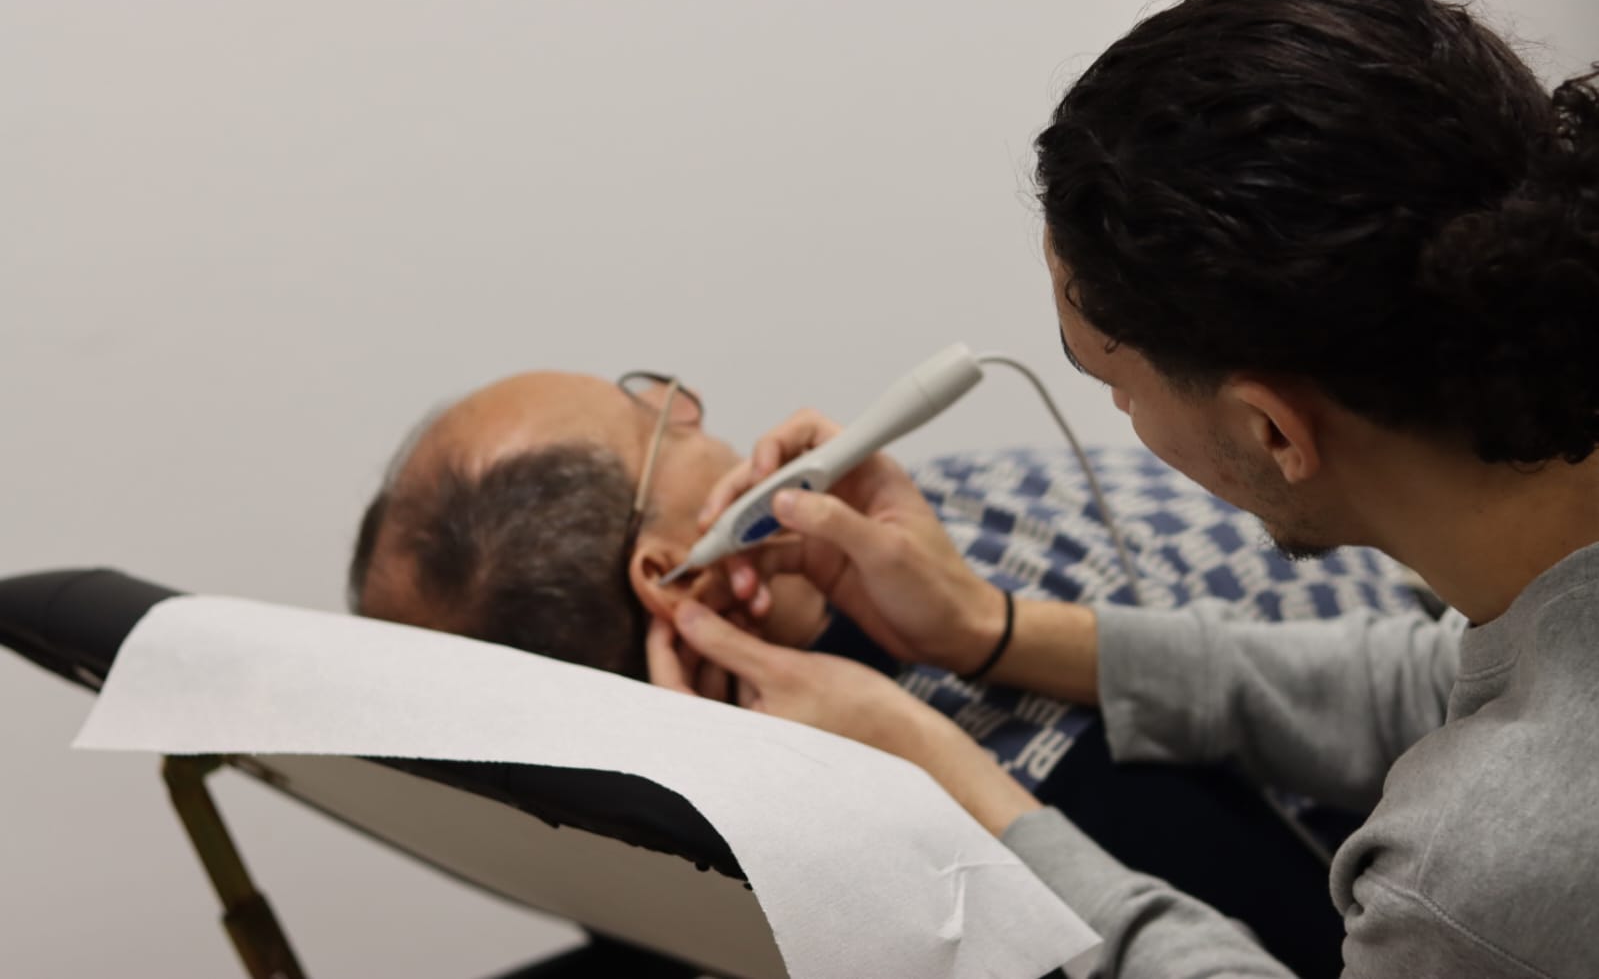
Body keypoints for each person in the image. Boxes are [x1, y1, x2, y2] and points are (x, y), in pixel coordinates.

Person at [651, 0, 1599, 977]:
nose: (1115, 406)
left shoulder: (1465, 877)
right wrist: (984, 627)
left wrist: (938, 777)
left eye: (1105, 372)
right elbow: (1426, 679)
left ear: (1272, 429)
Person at [347, 366, 1423, 975]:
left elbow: (1416, 677)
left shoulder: (898, 529)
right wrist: (926, 757)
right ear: (669, 572)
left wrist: (982, 627)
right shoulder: (1113, 807)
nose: (688, 404)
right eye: (654, 418)